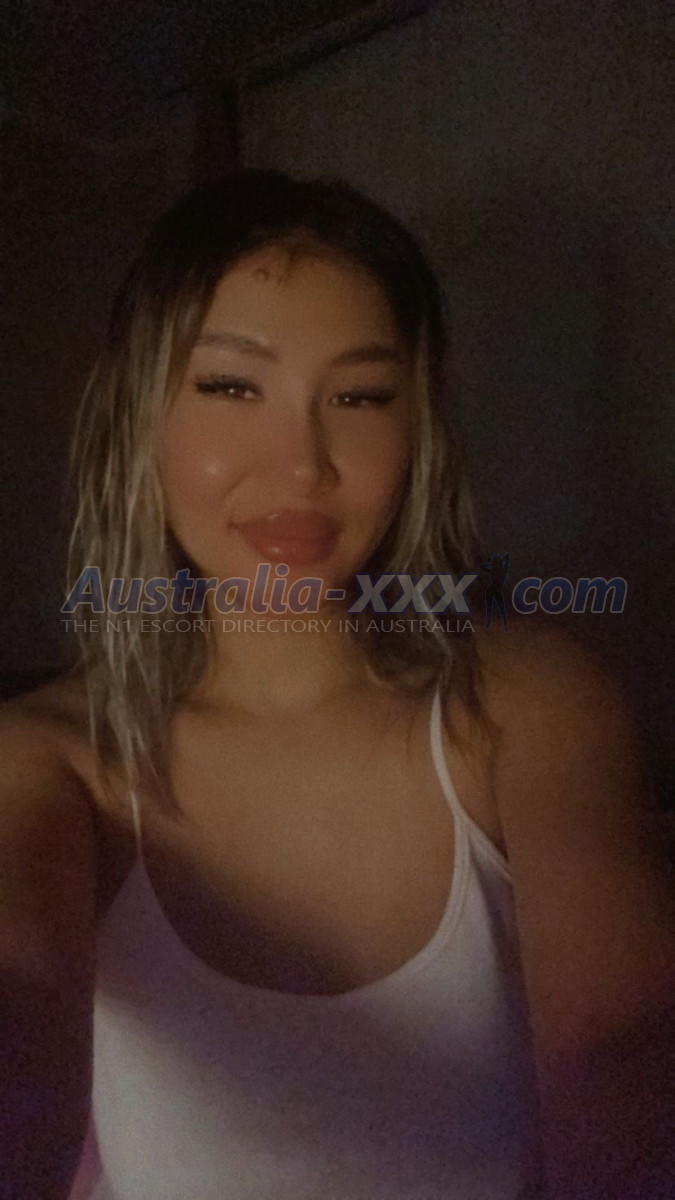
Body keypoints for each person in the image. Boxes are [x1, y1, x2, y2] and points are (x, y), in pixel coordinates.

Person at [1, 169, 672, 1200]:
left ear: (418, 431)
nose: (304, 462)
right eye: (232, 387)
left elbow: (620, 1054)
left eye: (359, 397)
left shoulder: (526, 705)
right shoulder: (47, 762)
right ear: (140, 414)